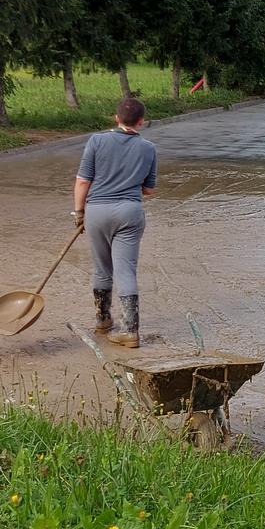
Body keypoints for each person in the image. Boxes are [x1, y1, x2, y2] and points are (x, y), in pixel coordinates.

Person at [72, 97, 158, 348]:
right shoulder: (148, 148)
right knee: (126, 270)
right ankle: (130, 330)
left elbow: (82, 181)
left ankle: (103, 319)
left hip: (97, 212)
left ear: (116, 118)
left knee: (102, 268)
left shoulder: (96, 141)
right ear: (142, 122)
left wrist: (79, 213)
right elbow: (150, 189)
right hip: (130, 213)